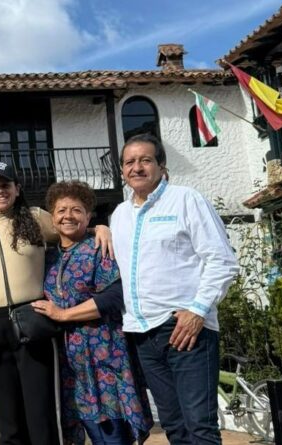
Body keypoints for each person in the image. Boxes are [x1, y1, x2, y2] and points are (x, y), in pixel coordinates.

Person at [110, 134, 238, 445]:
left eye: (145, 160)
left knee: (199, 427)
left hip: (185, 328)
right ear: (122, 170)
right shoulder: (119, 215)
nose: (137, 167)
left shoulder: (186, 200)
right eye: (129, 162)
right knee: (175, 428)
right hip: (143, 334)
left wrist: (197, 311)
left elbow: (222, 261)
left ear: (161, 165)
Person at [0, 162, 113, 444]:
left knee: (41, 414)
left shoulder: (35, 218)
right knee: (7, 418)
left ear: (17, 188)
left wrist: (100, 228)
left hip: (32, 320)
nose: (0, 191)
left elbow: (71, 227)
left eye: (5, 185)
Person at [33, 180, 153, 445]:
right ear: (52, 217)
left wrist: (63, 314)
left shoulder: (99, 247)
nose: (68, 216)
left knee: (111, 434)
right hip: (67, 362)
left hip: (104, 355)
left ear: (88, 216)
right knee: (76, 430)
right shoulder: (48, 256)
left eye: (76, 210)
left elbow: (114, 295)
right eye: (61, 210)